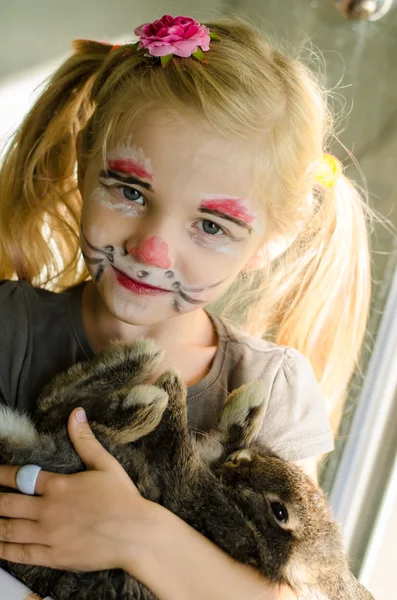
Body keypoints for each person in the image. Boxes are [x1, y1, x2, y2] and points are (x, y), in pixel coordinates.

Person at [0, 14, 371, 600]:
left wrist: (137, 535)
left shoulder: (267, 390)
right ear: (82, 165)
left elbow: (295, 591)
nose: (151, 248)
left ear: (269, 243)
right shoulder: (10, 327)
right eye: (129, 191)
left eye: (210, 224)